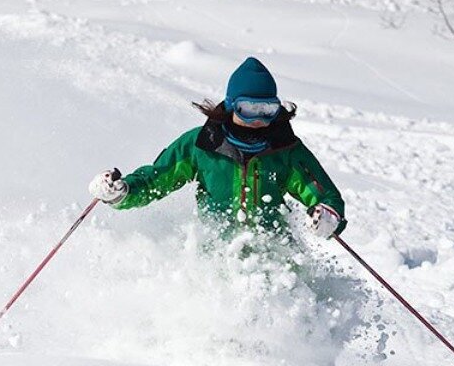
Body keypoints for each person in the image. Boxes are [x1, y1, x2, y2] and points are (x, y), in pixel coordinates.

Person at [88, 57, 346, 239]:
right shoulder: (202, 144)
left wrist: (329, 216)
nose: (258, 119)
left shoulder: (285, 149)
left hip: (275, 260)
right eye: (248, 109)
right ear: (233, 105)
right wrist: (124, 192)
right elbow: (157, 178)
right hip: (216, 259)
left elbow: (323, 193)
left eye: (266, 110)